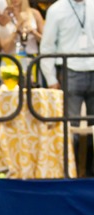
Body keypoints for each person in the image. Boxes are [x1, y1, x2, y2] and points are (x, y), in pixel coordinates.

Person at [40, 0, 94, 176]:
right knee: (70, 127)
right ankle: (71, 172)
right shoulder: (57, 9)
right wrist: (51, 79)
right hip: (69, 71)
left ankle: (91, 173)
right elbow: (47, 46)